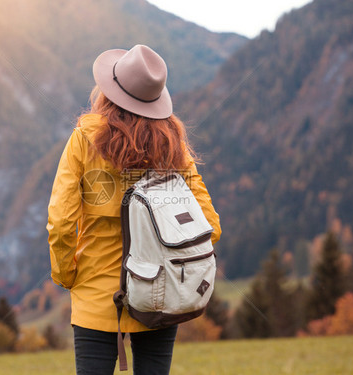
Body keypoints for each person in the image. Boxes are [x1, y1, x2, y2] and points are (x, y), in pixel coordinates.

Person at [47, 44, 221, 375]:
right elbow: (209, 222)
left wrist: (66, 273)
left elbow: (61, 221)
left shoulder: (85, 139)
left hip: (96, 292)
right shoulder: (171, 144)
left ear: (108, 90)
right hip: (160, 293)